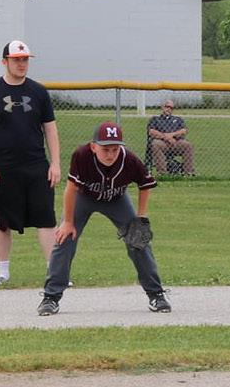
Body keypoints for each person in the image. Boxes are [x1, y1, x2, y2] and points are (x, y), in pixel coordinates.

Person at [37, 121, 171, 316]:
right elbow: (71, 188)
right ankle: (51, 297)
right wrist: (68, 222)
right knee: (64, 238)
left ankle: (156, 294)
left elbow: (145, 185)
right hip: (84, 198)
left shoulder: (129, 160)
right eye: (105, 149)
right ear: (93, 147)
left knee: (139, 240)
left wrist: (141, 217)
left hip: (117, 199)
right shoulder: (82, 155)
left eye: (115, 149)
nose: (110, 154)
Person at [0, 40, 60, 288]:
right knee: (2, 221)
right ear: (5, 62)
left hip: (36, 165)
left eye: (24, 60)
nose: (21, 64)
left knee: (46, 219)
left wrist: (55, 164)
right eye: (16, 60)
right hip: (3, 168)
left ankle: (54, 273)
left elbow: (50, 130)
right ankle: (2, 273)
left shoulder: (38, 91)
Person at [146, 99, 195, 175]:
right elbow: (151, 132)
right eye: (167, 106)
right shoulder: (155, 119)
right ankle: (162, 173)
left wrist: (171, 135)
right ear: (162, 107)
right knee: (155, 144)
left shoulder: (178, 119)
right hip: (162, 143)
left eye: (171, 108)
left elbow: (183, 131)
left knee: (187, 145)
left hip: (176, 142)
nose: (169, 109)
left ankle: (188, 173)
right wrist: (166, 137)